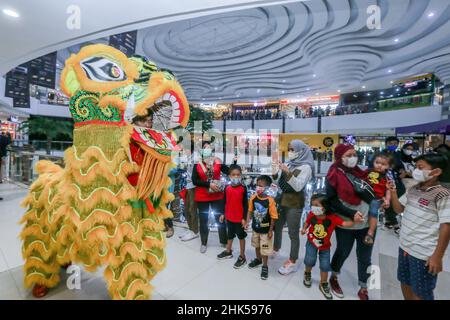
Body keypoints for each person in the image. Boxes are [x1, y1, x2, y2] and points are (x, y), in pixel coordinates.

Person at [389, 153, 450, 300]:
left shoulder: (442, 195)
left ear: (436, 172)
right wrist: (393, 191)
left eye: (420, 167)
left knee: (421, 292)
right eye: (415, 167)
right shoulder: (413, 189)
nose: (416, 171)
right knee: (405, 282)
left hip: (423, 253)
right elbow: (398, 209)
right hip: (405, 246)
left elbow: (446, 226)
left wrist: (437, 256)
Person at [325, 143, 372, 300]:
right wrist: (351, 214)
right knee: (343, 251)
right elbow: (331, 201)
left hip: (366, 223)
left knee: (365, 256)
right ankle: (334, 277)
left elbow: (372, 192)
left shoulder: (361, 173)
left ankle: (364, 287)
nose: (353, 158)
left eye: (354, 154)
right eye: (348, 155)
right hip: (346, 221)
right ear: (340, 157)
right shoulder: (333, 174)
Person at [301, 194, 354, 300]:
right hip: (311, 242)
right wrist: (304, 228)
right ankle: (307, 273)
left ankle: (324, 283)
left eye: (316, 205)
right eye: (312, 205)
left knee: (325, 265)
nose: (313, 207)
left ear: (325, 207)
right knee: (309, 259)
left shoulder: (332, 218)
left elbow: (343, 223)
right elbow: (307, 222)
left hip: (325, 246)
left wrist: (354, 221)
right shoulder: (312, 214)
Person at [273, 139, 314, 275]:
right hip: (282, 200)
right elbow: (278, 181)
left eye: (293, 150)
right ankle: (276, 248)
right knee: (277, 227)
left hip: (294, 203)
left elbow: (298, 186)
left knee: (293, 233)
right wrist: (275, 172)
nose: (290, 152)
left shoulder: (306, 167)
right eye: (289, 149)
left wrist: (287, 172)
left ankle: (293, 260)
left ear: (301, 151)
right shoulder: (290, 163)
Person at [192, 141, 231, 253]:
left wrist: (235, 163)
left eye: (209, 147)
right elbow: (195, 180)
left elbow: (228, 171)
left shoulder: (217, 161)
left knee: (220, 219)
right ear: (202, 150)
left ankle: (223, 241)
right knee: (203, 220)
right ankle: (204, 243)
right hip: (202, 196)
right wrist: (208, 184)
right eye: (205, 147)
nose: (207, 148)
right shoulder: (198, 163)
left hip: (217, 195)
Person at [217, 164, 249, 269]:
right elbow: (224, 201)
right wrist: (222, 213)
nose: (236, 177)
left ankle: (242, 256)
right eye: (233, 175)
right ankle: (228, 251)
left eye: (238, 175)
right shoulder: (227, 188)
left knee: (241, 237)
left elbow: (245, 205)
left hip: (239, 219)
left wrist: (244, 218)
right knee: (229, 235)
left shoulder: (243, 188)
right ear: (229, 176)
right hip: (229, 218)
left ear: (241, 175)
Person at [247, 175, 278, 280]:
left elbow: (273, 217)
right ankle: (258, 259)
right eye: (257, 185)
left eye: (261, 186)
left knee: (265, 249)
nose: (258, 187)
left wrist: (270, 230)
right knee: (256, 245)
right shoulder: (253, 198)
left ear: (267, 188)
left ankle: (265, 266)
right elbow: (250, 211)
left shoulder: (270, 201)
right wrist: (247, 221)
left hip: (265, 230)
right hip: (255, 229)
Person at [364, 153, 392, 246]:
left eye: (383, 164)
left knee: (373, 212)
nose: (379, 165)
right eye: (377, 162)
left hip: (376, 198)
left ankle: (370, 232)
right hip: (364, 196)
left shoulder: (386, 177)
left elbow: (388, 190)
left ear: (388, 166)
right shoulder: (367, 171)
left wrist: (387, 200)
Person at [178, 151, 199, 241]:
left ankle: (195, 231)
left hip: (194, 187)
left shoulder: (196, 156)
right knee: (186, 209)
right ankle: (191, 229)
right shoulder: (189, 156)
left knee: (192, 209)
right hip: (188, 186)